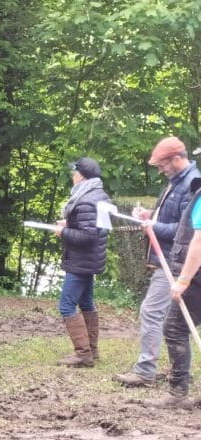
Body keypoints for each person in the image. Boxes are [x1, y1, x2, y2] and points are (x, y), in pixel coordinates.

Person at [114, 137, 200, 387]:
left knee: (153, 312)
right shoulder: (176, 182)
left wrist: (154, 226)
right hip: (174, 259)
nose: (160, 169)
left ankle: (146, 370)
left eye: (162, 164)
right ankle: (176, 370)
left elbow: (185, 230)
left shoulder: (191, 184)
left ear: (176, 158)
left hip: (176, 260)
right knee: (170, 320)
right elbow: (175, 217)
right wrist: (151, 216)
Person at [150, 146, 201, 408]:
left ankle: (178, 392)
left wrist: (184, 279)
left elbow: (199, 242)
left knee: (174, 327)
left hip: (197, 278)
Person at [53, 157, 111, 367]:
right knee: (86, 303)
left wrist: (64, 231)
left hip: (81, 261)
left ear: (81, 175)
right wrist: (69, 223)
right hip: (89, 260)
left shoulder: (86, 199)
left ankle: (83, 353)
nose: (72, 175)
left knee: (66, 305)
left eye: (74, 172)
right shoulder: (99, 195)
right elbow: (91, 227)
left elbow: (88, 236)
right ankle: (92, 351)